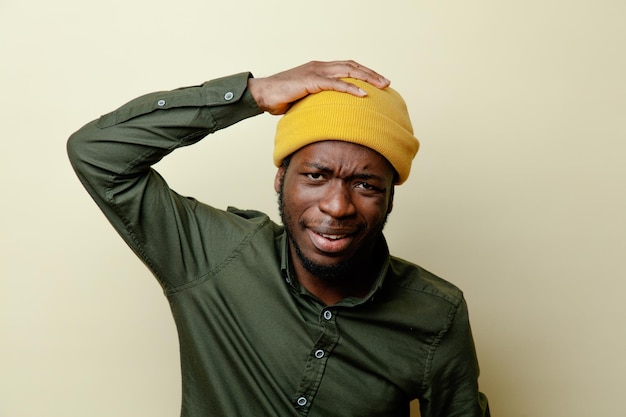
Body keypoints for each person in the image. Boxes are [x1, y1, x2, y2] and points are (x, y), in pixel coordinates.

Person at [67, 60, 490, 417]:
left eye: (365, 185)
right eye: (315, 175)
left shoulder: (437, 314)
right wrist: (253, 93)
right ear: (280, 178)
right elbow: (97, 153)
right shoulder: (214, 255)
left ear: (390, 198)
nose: (337, 206)